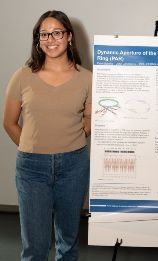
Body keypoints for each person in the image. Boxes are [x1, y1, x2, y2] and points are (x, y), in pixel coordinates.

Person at [3, 10, 92, 261]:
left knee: (68, 242)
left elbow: (88, 118)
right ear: (38, 39)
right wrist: (33, 148)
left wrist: (71, 139)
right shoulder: (22, 76)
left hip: (74, 165)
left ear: (69, 37)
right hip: (32, 168)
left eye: (57, 32)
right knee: (35, 247)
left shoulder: (86, 79)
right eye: (44, 34)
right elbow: (9, 122)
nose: (50, 39)